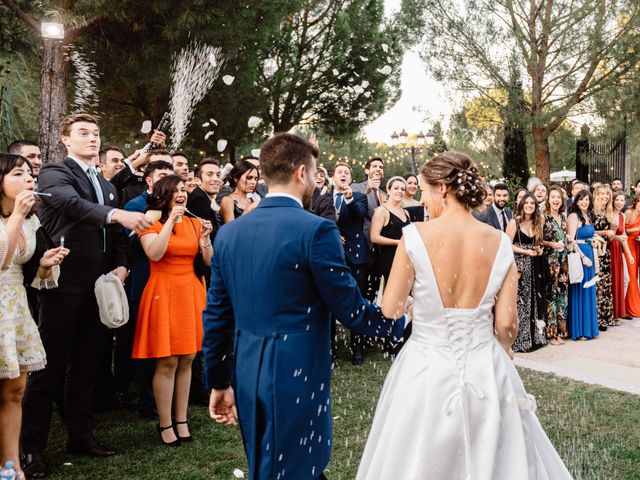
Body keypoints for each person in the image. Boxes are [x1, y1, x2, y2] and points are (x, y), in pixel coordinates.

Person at [202, 133, 405, 480]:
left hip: (248, 371)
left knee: (270, 465)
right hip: (295, 372)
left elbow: (217, 314)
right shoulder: (316, 230)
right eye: (312, 174)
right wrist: (401, 323)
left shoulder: (230, 233)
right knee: (296, 469)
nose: (315, 181)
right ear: (300, 173)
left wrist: (219, 381)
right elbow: (350, 308)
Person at [356, 152, 571, 480]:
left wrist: (418, 303)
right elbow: (506, 324)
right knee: (498, 455)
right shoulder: (498, 242)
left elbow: (390, 308)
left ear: (442, 188)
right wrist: (506, 347)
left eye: (426, 191)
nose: (424, 201)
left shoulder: (414, 237)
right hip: (485, 363)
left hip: (425, 364)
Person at [21, 113, 151, 478]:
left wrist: (122, 266)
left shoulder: (106, 185)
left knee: (87, 365)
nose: (92, 139)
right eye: (83, 133)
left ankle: (81, 435)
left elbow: (114, 240)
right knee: (48, 368)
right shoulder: (54, 173)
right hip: (63, 286)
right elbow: (73, 207)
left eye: (96, 133)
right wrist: (116, 215)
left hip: (99, 288)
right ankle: (32, 449)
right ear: (66, 139)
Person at [0, 154, 69, 479]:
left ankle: (11, 468)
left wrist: (45, 264)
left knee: (15, 392)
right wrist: (16, 214)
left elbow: (30, 276)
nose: (30, 179)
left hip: (15, 310)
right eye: (18, 173)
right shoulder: (18, 216)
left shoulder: (31, 220)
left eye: (30, 174)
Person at [132, 175, 213, 446]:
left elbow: (207, 261)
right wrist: (168, 221)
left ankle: (182, 420)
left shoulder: (193, 222)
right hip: (163, 291)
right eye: (175, 191)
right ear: (164, 195)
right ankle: (165, 423)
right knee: (166, 360)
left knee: (188, 357)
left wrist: (205, 238)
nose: (182, 194)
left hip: (189, 290)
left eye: (183, 189)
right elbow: (154, 253)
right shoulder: (150, 220)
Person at [117, 160, 174, 419]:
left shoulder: (175, 205)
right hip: (144, 275)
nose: (167, 178)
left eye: (170, 175)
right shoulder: (136, 206)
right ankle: (147, 400)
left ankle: (167, 395)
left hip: (171, 278)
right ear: (149, 180)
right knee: (146, 339)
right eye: (162, 174)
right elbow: (127, 244)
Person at [332, 161, 371, 364]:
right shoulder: (323, 198)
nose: (343, 174)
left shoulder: (359, 197)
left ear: (350, 178)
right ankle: (331, 348)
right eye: (340, 172)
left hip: (356, 257)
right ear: (333, 177)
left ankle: (357, 348)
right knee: (329, 301)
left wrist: (349, 199)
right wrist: (333, 233)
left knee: (358, 301)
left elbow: (359, 214)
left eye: (347, 172)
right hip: (332, 255)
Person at [507, 193, 548, 352]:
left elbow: (539, 242)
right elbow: (507, 244)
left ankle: (536, 337)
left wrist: (538, 249)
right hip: (520, 266)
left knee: (536, 301)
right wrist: (525, 252)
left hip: (535, 265)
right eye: (527, 203)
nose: (530, 205)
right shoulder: (514, 222)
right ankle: (520, 340)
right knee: (521, 302)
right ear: (522, 204)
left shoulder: (539, 221)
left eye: (533, 203)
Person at [567, 190, 599, 340]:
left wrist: (593, 241)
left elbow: (589, 235)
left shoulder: (588, 215)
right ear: (576, 201)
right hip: (581, 256)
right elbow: (571, 240)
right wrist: (583, 256)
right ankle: (579, 330)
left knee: (589, 290)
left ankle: (589, 328)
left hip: (590, 253)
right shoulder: (573, 216)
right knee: (580, 290)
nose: (585, 202)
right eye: (581, 199)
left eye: (587, 199)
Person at [370, 176, 410, 286]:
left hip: (405, 257)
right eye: (396, 188)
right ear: (388, 190)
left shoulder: (406, 212)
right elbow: (374, 237)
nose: (400, 191)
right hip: (388, 258)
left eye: (402, 189)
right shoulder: (382, 210)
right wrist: (397, 242)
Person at [542, 186, 569, 343]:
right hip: (550, 262)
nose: (556, 200)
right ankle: (551, 334)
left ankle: (561, 332)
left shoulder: (563, 218)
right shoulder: (543, 217)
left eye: (558, 197)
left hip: (563, 262)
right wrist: (551, 244)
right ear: (548, 199)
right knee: (550, 297)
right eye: (553, 197)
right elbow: (538, 240)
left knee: (562, 296)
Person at [593, 184, 615, 331]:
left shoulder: (609, 213)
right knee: (597, 283)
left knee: (605, 284)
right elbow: (589, 231)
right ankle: (597, 318)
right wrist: (605, 233)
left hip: (606, 253)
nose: (605, 196)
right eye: (602, 194)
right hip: (595, 251)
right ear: (596, 195)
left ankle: (606, 317)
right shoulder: (591, 212)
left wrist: (611, 232)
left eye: (607, 194)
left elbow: (611, 236)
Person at [609, 190, 632, 322]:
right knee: (612, 281)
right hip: (610, 248)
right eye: (617, 199)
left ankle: (619, 309)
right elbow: (611, 237)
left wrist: (628, 255)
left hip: (619, 249)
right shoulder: (610, 215)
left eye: (621, 200)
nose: (619, 202)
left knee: (625, 279)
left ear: (624, 202)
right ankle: (611, 312)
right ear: (613, 200)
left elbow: (624, 238)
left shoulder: (622, 215)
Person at [624, 194, 640, 317]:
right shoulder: (628, 212)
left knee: (634, 276)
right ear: (636, 201)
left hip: (635, 245)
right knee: (629, 276)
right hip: (627, 246)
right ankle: (629, 307)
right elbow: (625, 230)